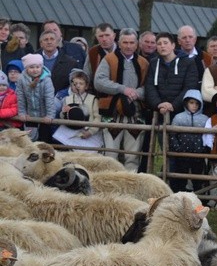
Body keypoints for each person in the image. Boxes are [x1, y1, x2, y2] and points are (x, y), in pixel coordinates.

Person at [94, 28, 149, 172]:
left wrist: (136, 93)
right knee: (111, 155)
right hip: (112, 113)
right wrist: (122, 89)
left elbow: (148, 87)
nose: (128, 46)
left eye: (132, 42)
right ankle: (111, 186)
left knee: (133, 155)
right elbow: (99, 81)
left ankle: (130, 185)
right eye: (125, 42)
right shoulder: (109, 59)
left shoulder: (143, 62)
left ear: (137, 44)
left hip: (136, 113)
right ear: (119, 43)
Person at [144, 32, 199, 118]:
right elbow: (149, 86)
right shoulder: (153, 63)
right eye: (159, 44)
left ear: (173, 45)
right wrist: (158, 104)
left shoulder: (188, 63)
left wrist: (173, 105)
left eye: (165, 43)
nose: (162, 46)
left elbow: (189, 87)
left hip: (180, 112)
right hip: (158, 111)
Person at [169, 89, 209, 193]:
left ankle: (201, 199)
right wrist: (177, 148)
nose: (194, 106)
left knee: (198, 179)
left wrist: (204, 149)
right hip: (182, 154)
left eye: (197, 103)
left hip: (198, 155)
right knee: (181, 177)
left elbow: (208, 135)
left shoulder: (204, 119)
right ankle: (179, 197)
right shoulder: (178, 118)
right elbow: (173, 134)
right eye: (191, 103)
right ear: (186, 103)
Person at [52, 69, 103, 150]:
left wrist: (91, 132)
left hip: (86, 133)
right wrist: (63, 112)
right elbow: (63, 117)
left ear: (86, 86)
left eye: (81, 84)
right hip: (70, 134)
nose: (78, 86)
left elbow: (97, 118)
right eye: (75, 84)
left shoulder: (93, 99)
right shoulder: (67, 99)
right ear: (71, 85)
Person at [16, 53, 55, 142]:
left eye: (37, 67)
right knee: (29, 139)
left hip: (44, 115)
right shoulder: (22, 79)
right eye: (31, 67)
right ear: (26, 68)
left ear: (41, 67)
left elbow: (49, 98)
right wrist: (22, 112)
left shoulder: (46, 80)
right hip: (30, 115)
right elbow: (20, 97)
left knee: (44, 139)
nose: (35, 70)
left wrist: (50, 115)